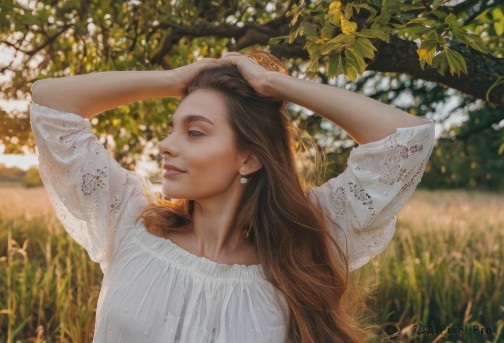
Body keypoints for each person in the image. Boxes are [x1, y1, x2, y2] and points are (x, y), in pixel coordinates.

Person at [29, 50, 435, 342]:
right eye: (172, 129)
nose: (166, 145)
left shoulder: (306, 242)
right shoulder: (129, 221)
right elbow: (50, 102)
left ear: (249, 159)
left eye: (195, 132)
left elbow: (406, 139)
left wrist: (274, 85)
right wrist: (173, 80)